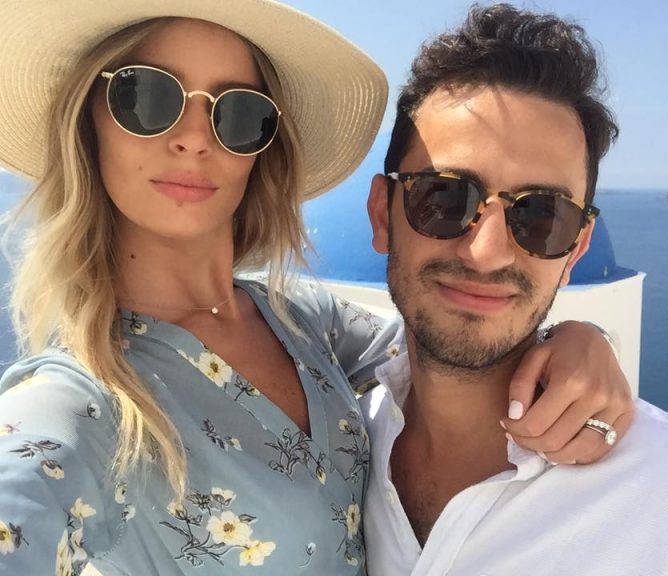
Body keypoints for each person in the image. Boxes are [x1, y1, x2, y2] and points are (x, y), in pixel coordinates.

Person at [0, 1, 634, 574]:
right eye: (145, 96)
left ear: (262, 147)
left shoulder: (297, 319)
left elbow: (449, 344)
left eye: (237, 112)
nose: (192, 138)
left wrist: (577, 338)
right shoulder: (81, 402)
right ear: (90, 122)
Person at [362, 4, 668, 575]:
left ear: (576, 248)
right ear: (384, 214)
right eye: (445, 197)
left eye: (542, 216)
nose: (488, 252)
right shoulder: (338, 431)